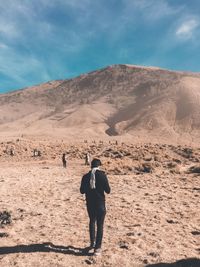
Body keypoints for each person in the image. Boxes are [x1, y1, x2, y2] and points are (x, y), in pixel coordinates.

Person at [80, 158, 110, 256]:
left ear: (91, 166)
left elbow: (82, 191)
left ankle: (92, 243)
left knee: (92, 222)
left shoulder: (85, 176)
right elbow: (108, 190)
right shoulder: (102, 175)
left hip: (90, 203)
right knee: (100, 225)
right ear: (99, 166)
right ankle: (97, 248)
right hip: (100, 203)